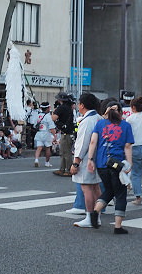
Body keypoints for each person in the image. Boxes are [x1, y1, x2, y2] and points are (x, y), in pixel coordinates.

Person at [86, 99, 134, 233]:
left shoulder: (100, 124)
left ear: (106, 111)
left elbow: (93, 142)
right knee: (120, 193)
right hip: (117, 165)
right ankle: (118, 227)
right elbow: (128, 146)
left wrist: (90, 159)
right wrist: (129, 163)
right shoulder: (125, 126)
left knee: (109, 190)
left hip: (102, 163)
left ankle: (95, 211)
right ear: (120, 112)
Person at [68, 92, 102, 227]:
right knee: (96, 187)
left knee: (87, 188)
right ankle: (96, 216)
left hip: (87, 158)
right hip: (98, 157)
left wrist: (76, 162)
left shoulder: (87, 121)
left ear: (82, 105)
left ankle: (89, 217)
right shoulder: (99, 118)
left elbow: (82, 144)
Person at [126, 96, 142, 206]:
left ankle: (138, 198)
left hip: (136, 147)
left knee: (136, 174)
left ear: (133, 107)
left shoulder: (130, 119)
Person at [52, 93, 76, 176]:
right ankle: (63, 169)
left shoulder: (61, 108)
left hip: (66, 133)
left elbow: (54, 118)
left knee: (66, 152)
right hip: (68, 131)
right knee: (64, 151)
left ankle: (68, 169)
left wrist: (54, 110)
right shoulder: (69, 108)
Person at [32, 102, 56, 168]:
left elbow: (34, 124)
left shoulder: (38, 115)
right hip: (46, 133)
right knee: (48, 148)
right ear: (48, 108)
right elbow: (52, 127)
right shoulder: (48, 116)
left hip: (39, 133)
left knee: (39, 147)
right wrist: (55, 135)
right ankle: (47, 162)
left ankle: (36, 160)